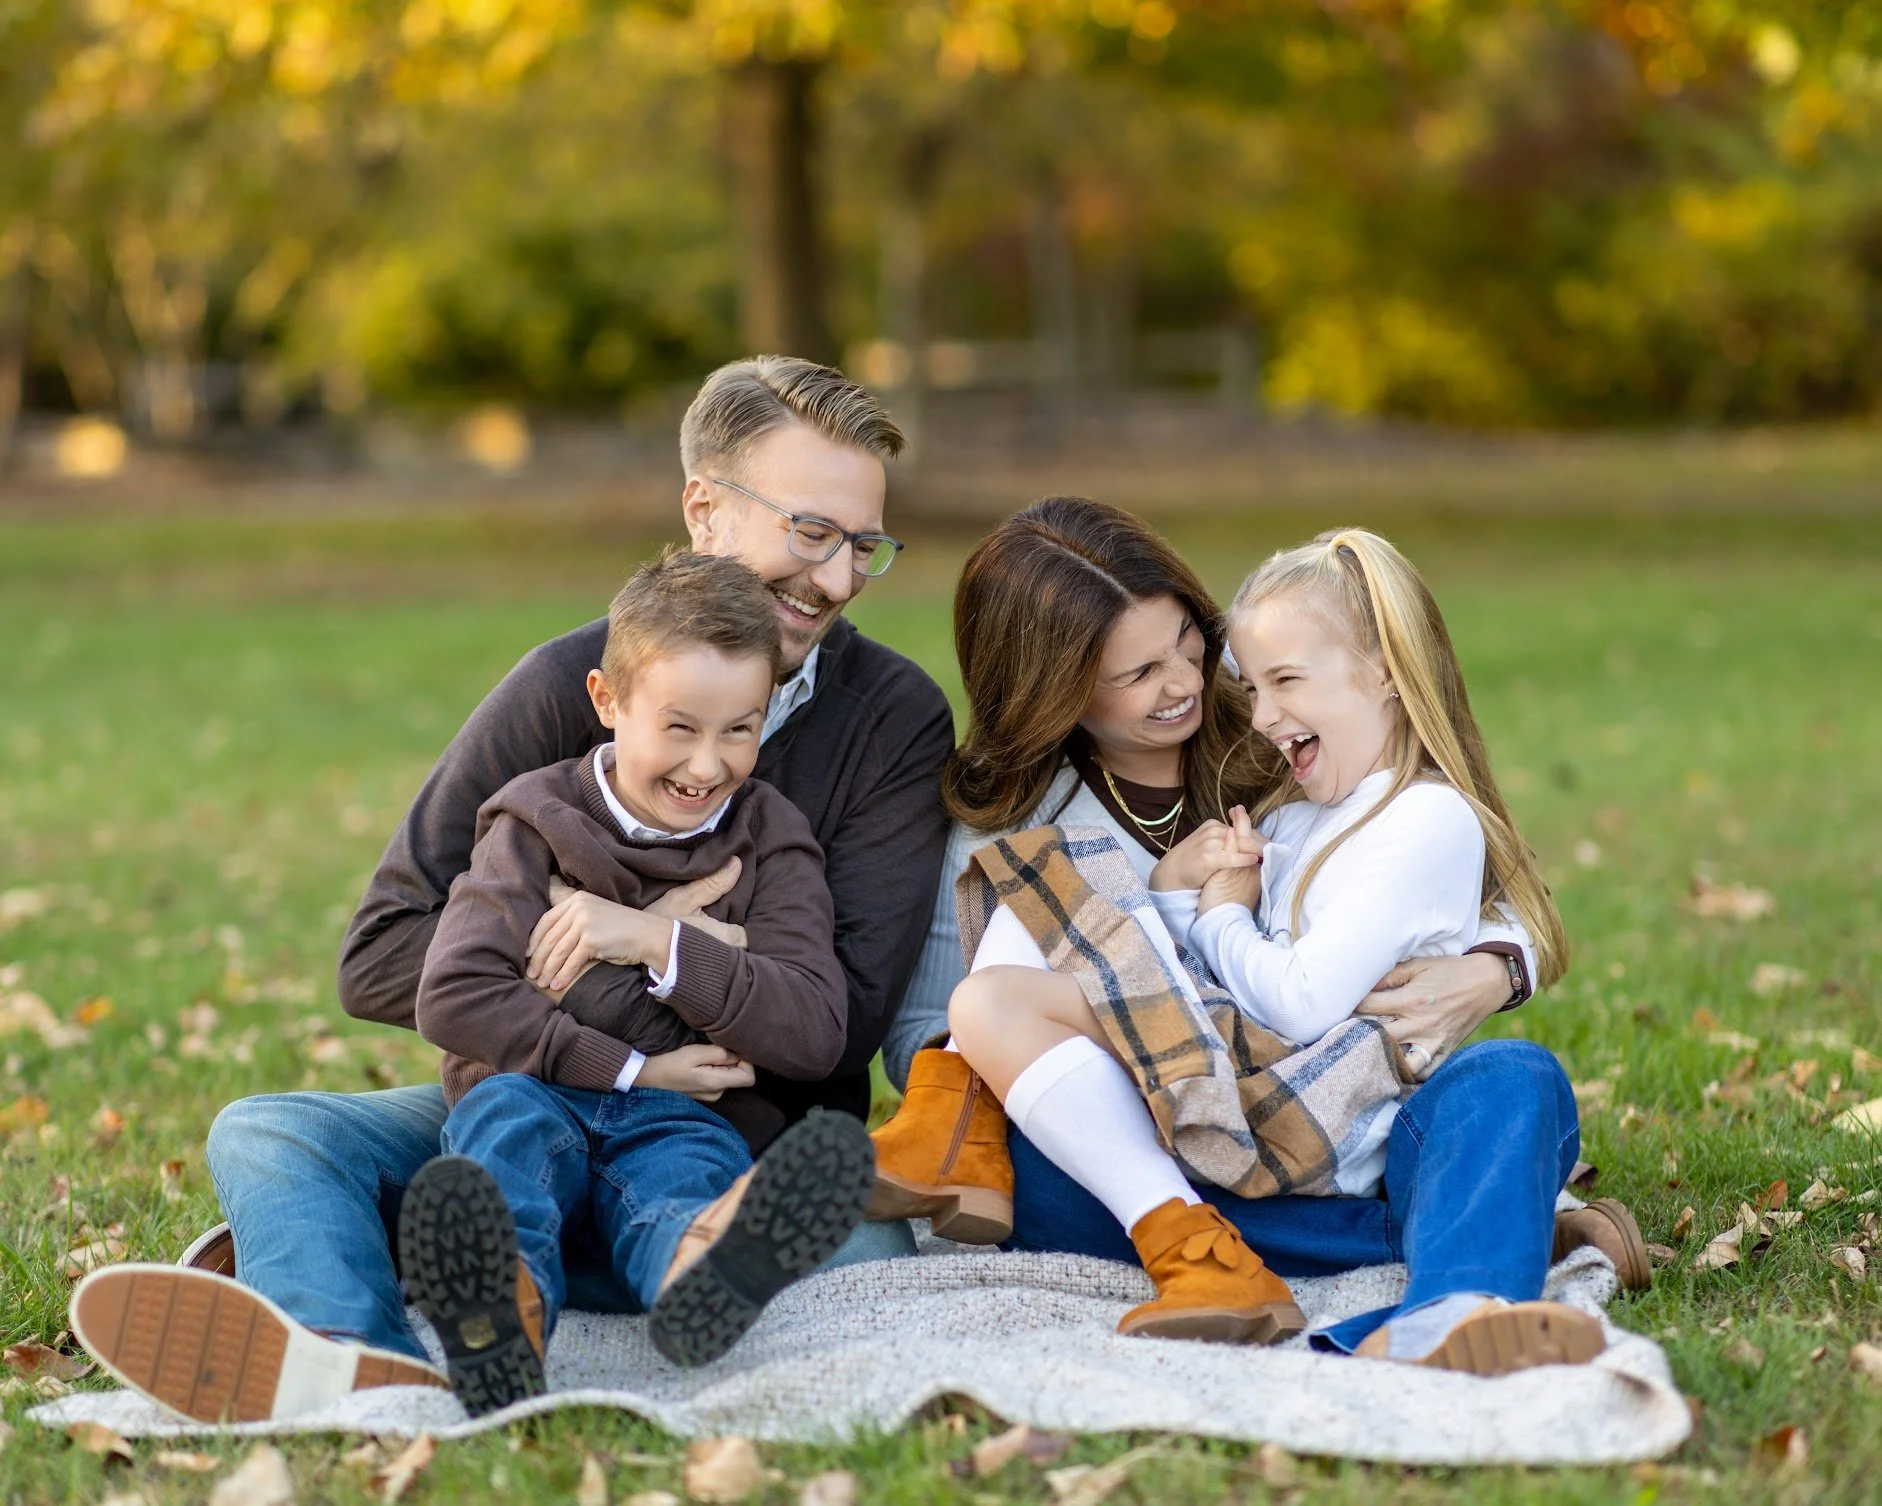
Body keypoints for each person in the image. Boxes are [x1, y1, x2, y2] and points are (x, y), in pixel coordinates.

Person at [69, 358, 954, 1424]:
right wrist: (634, 952)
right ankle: (361, 1360)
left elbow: (840, 1015)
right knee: (269, 1134)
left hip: (725, 1143)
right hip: (525, 1101)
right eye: (811, 534)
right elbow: (386, 953)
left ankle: (363, 1251)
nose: (840, 579)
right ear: (704, 509)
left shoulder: (892, 718)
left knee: (859, 1242)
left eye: (865, 546)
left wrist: (638, 940)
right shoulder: (565, 688)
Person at [872, 498, 1647, 1373]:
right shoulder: (1005, 832)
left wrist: (1495, 971)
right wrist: (1131, 1024)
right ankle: (1474, 1229)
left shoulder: (1275, 743)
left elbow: (1498, 891)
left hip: (1317, 1103)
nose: (1184, 688)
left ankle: (1443, 1266)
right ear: (1057, 691)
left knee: (1508, 1078)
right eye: (1138, 676)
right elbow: (925, 1038)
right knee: (1035, 1171)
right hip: (1150, 1129)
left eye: (1190, 650)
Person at [394, 549, 873, 1412]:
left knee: (681, 1184)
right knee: (505, 1146)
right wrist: (633, 1067)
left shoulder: (773, 837)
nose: (709, 764)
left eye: (741, 729)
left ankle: (699, 1273)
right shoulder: (533, 818)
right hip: (531, 1087)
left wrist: (661, 943)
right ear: (607, 703)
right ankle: (502, 1316)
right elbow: (455, 992)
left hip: (683, 1115)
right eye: (680, 728)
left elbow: (812, 1027)